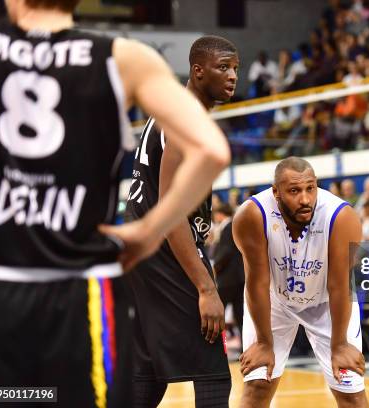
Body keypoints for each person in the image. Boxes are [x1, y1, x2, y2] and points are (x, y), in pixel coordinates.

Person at [0, 1, 230, 407]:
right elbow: (213, 151)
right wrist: (147, 232)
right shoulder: (125, 57)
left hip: (1, 275)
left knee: (16, 398)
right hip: (82, 284)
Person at [125, 35, 238, 407]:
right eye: (223, 67)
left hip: (144, 253)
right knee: (213, 373)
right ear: (198, 70)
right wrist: (206, 289)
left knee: (146, 370)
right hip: (164, 252)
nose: (232, 75)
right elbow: (171, 214)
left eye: (235, 68)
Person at [233, 157, 369, 408]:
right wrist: (264, 342)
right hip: (274, 301)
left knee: (350, 389)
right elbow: (257, 283)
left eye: (310, 188)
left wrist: (339, 344)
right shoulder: (252, 215)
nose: (305, 199)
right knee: (257, 386)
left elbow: (340, 285)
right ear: (276, 192)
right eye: (294, 191)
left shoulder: (341, 216)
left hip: (328, 303)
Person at [213, 203, 245, 339]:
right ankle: (245, 347)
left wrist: (215, 267)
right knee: (239, 314)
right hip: (238, 277)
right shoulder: (233, 225)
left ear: (220, 214)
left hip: (228, 278)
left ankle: (214, 345)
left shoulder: (227, 227)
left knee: (216, 311)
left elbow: (226, 252)